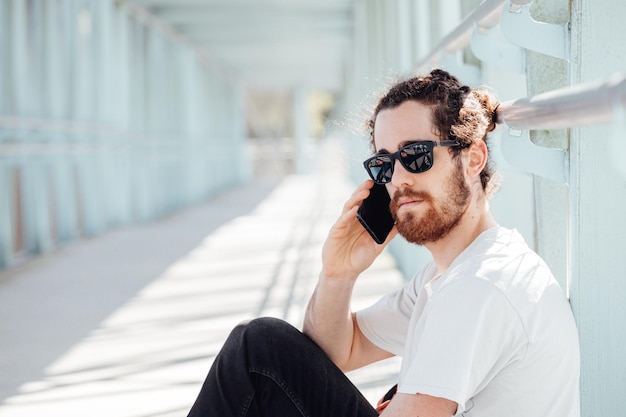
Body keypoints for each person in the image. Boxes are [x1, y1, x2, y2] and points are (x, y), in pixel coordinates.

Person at [186, 69, 580, 417]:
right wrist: (338, 273)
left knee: (257, 349)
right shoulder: (447, 276)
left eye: (416, 155)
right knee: (264, 349)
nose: (399, 179)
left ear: (474, 158)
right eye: (384, 163)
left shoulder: (480, 285)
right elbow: (341, 350)